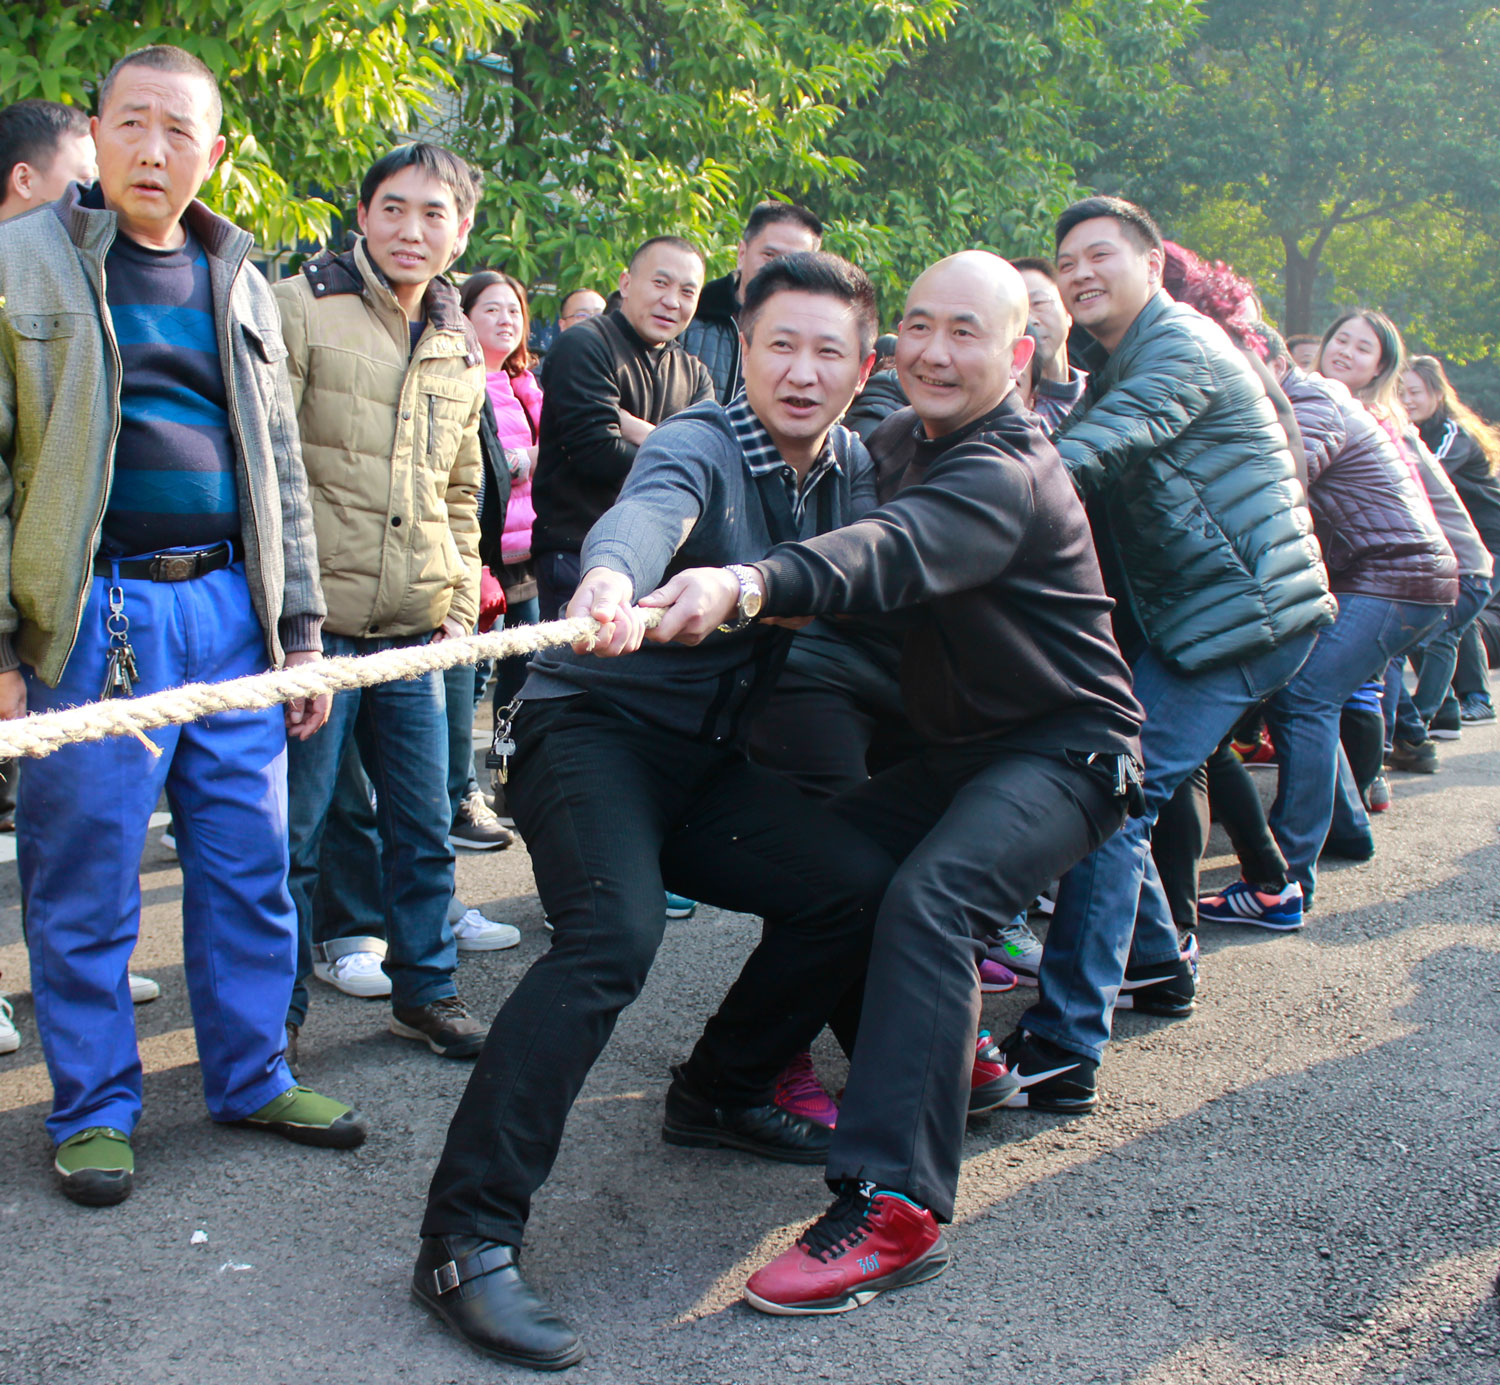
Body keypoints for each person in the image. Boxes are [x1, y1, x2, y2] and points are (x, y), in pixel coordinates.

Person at [414, 252, 913, 1368]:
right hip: (588, 737)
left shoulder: (850, 476)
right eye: (779, 343)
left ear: (861, 366)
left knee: (850, 884)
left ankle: (724, 1088)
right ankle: (464, 1238)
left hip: (709, 764)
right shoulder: (700, 439)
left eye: (829, 350)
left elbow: (881, 570)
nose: (801, 369)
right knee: (613, 935)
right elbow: (645, 514)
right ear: (743, 353)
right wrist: (607, 583)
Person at [642, 250, 1144, 1316]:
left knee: (933, 895)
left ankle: (894, 1203)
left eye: (966, 331)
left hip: (1070, 746)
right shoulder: (900, 440)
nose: (933, 350)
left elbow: (883, 550)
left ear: (1016, 354)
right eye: (918, 325)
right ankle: (726, 1085)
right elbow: (824, 520)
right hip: (964, 746)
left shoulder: (1003, 466)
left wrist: (745, 582)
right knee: (838, 871)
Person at [0, 45, 367, 1205]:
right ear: (94, 137)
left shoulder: (242, 276)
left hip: (231, 610)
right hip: (95, 610)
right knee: (88, 875)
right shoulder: (17, 261)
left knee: (250, 864)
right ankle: (96, 1106)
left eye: (181, 132)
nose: (156, 150)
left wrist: (298, 631)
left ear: (216, 153)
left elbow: (281, 472)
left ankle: (252, 1073)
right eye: (133, 124)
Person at [993, 196, 1334, 1115]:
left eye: (1098, 255)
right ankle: (1155, 965)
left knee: (1114, 791)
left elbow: (1090, 456)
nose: (1078, 275)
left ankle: (1065, 1047)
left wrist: (967, 509)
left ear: (1153, 264)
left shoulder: (1176, 348)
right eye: (1066, 263)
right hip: (1203, 612)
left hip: (1243, 616)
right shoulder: (1123, 357)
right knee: (1112, 777)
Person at [274, 142, 501, 1066]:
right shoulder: (299, 306)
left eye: (435, 213)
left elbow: (461, 491)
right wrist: (288, 622)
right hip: (315, 634)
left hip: (416, 634)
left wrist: (455, 610)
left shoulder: (458, 341)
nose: (414, 229)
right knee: (292, 842)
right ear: (362, 213)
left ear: (463, 230)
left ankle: (428, 992)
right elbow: (272, 470)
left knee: (423, 828)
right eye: (395, 208)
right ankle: (271, 1019)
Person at [1198, 327, 1457, 928]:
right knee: (1311, 697)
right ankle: (1350, 830)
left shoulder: (1309, 401)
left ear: (1271, 363)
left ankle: (1284, 879)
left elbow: (1280, 477)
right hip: (1395, 576)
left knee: (1303, 696)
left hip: (1393, 577)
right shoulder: (1314, 395)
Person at [0, 98, 163, 1013]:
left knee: (85, 822)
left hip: (107, 597)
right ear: (26, 181)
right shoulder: (19, 275)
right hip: (44, 604)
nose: (97, 199)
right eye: (82, 177)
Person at [1314, 311, 1481, 775]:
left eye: (1362, 348)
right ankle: (1409, 742)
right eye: (1340, 339)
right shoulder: (1337, 403)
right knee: (1363, 667)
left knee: (1361, 673)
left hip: (1451, 570)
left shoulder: (1377, 418)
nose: (1345, 351)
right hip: (1411, 568)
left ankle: (1370, 783)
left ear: (1380, 368)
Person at [528, 235, 714, 619]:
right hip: (577, 553)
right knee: (571, 673)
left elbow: (707, 465)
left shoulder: (693, 372)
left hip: (659, 562)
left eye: (687, 291)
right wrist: (670, 447)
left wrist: (637, 429)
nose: (672, 301)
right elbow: (596, 453)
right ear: (626, 283)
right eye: (660, 283)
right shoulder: (584, 345)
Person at [1400, 355, 1500, 726]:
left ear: (1437, 394)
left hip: (1489, 543)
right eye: (1400, 392)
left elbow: (1427, 475)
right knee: (1448, 618)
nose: (1407, 400)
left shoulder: (1453, 435)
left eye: (1414, 392)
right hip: (1454, 546)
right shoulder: (1416, 431)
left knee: (1452, 620)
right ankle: (1453, 707)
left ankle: (1451, 706)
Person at [679, 200, 824, 403]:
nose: (779, 270)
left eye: (795, 262)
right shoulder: (689, 316)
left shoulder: (821, 337)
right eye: (769, 255)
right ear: (742, 254)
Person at [1011, 256, 1088, 435]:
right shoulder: (1007, 405)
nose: (1029, 320)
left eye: (1038, 303)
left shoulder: (1102, 391)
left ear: (1068, 312)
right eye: (1017, 311)